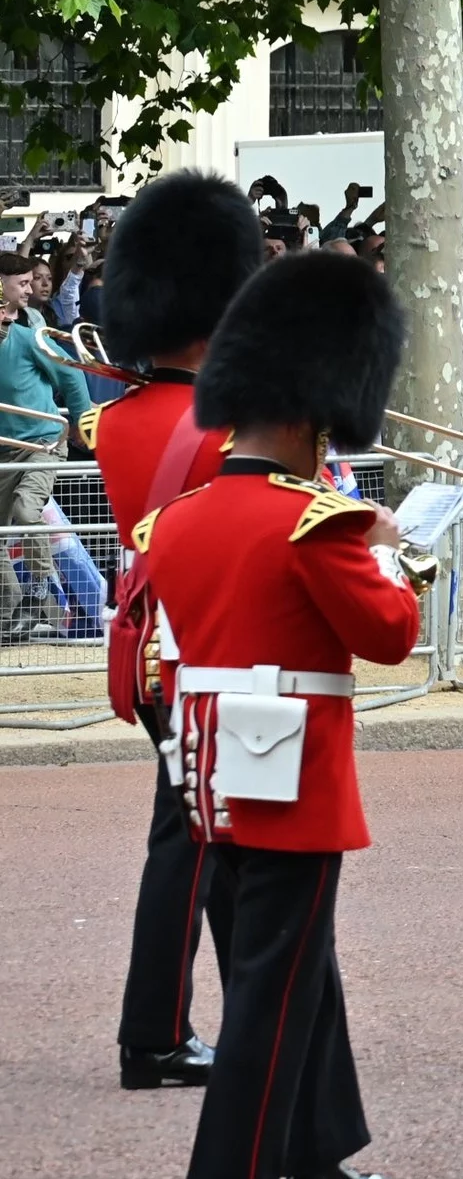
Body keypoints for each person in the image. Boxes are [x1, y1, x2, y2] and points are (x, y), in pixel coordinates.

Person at [138, 251, 418, 1179]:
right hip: (293, 774)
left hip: (211, 772)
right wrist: (385, 544)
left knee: (303, 969)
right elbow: (389, 635)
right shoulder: (318, 522)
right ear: (310, 413)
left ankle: (318, 1155)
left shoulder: (176, 520)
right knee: (273, 981)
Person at [76, 174, 264, 1091]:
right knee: (200, 847)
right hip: (221, 649)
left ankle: (172, 1026)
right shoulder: (235, 428)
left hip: (152, 651)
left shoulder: (112, 419)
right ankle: (157, 1036)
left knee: (194, 839)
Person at [0, 251, 92, 644]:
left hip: (41, 443)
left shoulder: (30, 336)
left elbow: (71, 377)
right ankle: (9, 608)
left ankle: (38, 593)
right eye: (21, 283)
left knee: (24, 509)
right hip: (4, 448)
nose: (30, 289)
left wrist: (82, 420)